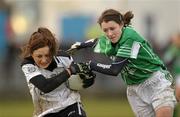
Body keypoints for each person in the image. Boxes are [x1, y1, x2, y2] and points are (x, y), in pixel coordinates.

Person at [71, 9, 177, 117]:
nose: (109, 33)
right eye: (105, 30)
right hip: (134, 89)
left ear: (121, 24)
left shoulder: (129, 37)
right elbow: (97, 41)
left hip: (155, 82)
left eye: (112, 28)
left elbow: (114, 70)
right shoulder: (110, 39)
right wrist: (80, 45)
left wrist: (90, 65)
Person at [20, 27, 95, 117]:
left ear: (53, 52)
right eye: (39, 56)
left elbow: (76, 81)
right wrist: (70, 71)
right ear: (32, 54)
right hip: (44, 112)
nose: (44, 60)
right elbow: (45, 86)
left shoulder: (65, 58)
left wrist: (88, 79)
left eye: (47, 55)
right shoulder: (28, 65)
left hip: (70, 105)